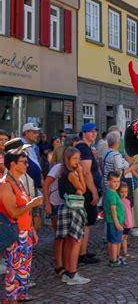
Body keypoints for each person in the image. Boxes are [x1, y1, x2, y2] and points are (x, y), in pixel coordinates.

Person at [0, 139, 43, 303]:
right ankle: (10, 300)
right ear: (12, 164)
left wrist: (32, 230)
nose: (27, 164)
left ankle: (19, 297)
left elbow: (25, 211)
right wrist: (32, 203)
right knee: (14, 270)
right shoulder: (5, 185)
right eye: (23, 162)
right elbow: (13, 212)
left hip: (25, 232)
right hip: (15, 232)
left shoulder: (18, 181)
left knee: (23, 269)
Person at [56, 147, 91, 285]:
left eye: (79, 158)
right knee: (75, 241)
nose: (78, 161)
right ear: (67, 159)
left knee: (70, 242)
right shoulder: (71, 174)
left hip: (68, 207)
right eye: (75, 158)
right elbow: (83, 188)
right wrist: (81, 174)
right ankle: (72, 273)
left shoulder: (65, 173)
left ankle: (68, 272)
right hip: (73, 209)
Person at [75, 123, 101, 264]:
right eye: (90, 132)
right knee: (86, 223)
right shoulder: (83, 149)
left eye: (94, 131)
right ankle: (81, 254)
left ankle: (83, 251)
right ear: (83, 133)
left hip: (88, 190)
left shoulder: (86, 148)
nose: (93, 134)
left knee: (88, 223)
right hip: (87, 192)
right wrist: (93, 192)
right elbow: (85, 173)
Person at [43, 159, 66, 277]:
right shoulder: (58, 168)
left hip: (67, 204)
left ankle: (66, 262)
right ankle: (58, 264)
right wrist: (47, 203)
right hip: (56, 204)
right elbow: (46, 183)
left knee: (67, 237)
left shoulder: (76, 167)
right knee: (59, 236)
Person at [103, 131, 137, 201]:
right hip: (120, 188)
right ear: (118, 142)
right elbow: (119, 173)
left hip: (110, 185)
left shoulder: (107, 152)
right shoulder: (116, 155)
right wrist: (131, 168)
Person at [104, 171, 126, 267]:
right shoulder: (112, 194)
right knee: (115, 242)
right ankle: (114, 260)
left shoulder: (113, 192)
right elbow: (113, 209)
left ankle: (115, 257)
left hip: (115, 222)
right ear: (108, 182)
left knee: (114, 241)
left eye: (118, 181)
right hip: (114, 222)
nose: (117, 184)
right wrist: (117, 223)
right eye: (114, 182)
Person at [21, 123, 43, 189]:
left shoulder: (36, 147)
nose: (37, 135)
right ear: (26, 133)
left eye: (37, 132)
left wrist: (41, 178)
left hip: (36, 184)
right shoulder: (18, 145)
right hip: (24, 184)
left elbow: (38, 163)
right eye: (34, 132)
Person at [118, 182, 133, 260]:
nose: (124, 194)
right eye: (122, 192)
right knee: (120, 239)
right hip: (122, 224)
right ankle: (118, 254)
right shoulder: (119, 202)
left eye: (126, 192)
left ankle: (125, 252)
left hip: (128, 225)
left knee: (125, 239)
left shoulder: (127, 201)